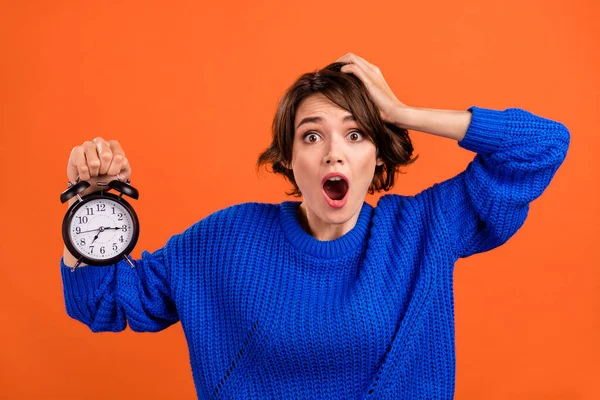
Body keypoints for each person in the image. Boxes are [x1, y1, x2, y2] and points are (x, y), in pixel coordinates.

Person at [60, 53, 570, 399]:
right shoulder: (226, 241)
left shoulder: (421, 231)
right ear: (288, 157)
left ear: (377, 153)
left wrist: (400, 111)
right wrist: (92, 199)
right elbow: (101, 299)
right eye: (311, 136)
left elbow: (543, 145)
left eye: (355, 134)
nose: (334, 152)